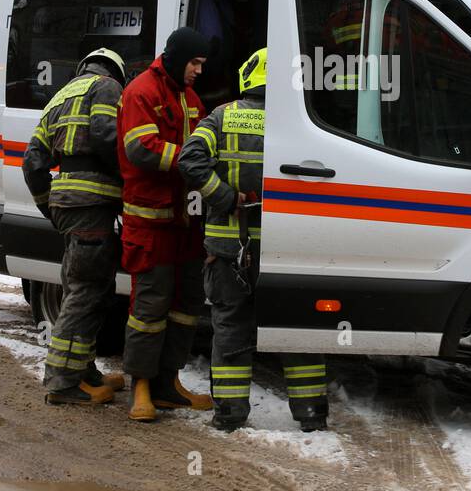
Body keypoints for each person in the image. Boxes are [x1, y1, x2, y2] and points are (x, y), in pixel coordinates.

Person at [177, 48, 330, 433]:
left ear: (248, 77)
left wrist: (225, 197)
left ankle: (229, 412)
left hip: (230, 251)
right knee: (298, 329)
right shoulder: (304, 124)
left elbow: (189, 159)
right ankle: (311, 415)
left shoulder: (222, 117)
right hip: (288, 251)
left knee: (230, 327)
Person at [21, 48, 128, 405]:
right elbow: (105, 137)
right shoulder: (107, 87)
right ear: (115, 72)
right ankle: (63, 383)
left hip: (68, 206)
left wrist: (48, 206)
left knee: (83, 288)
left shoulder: (60, 97)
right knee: (86, 293)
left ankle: (84, 371)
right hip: (92, 204)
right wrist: (130, 183)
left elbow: (32, 161)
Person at [117, 27, 214, 421]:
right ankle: (140, 387)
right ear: (177, 58)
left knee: (186, 305)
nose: (198, 71)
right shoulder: (142, 92)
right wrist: (189, 161)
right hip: (150, 223)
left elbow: (207, 139)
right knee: (149, 306)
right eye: (194, 63)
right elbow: (140, 149)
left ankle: (169, 384)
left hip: (185, 222)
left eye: (202, 64)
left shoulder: (189, 98)